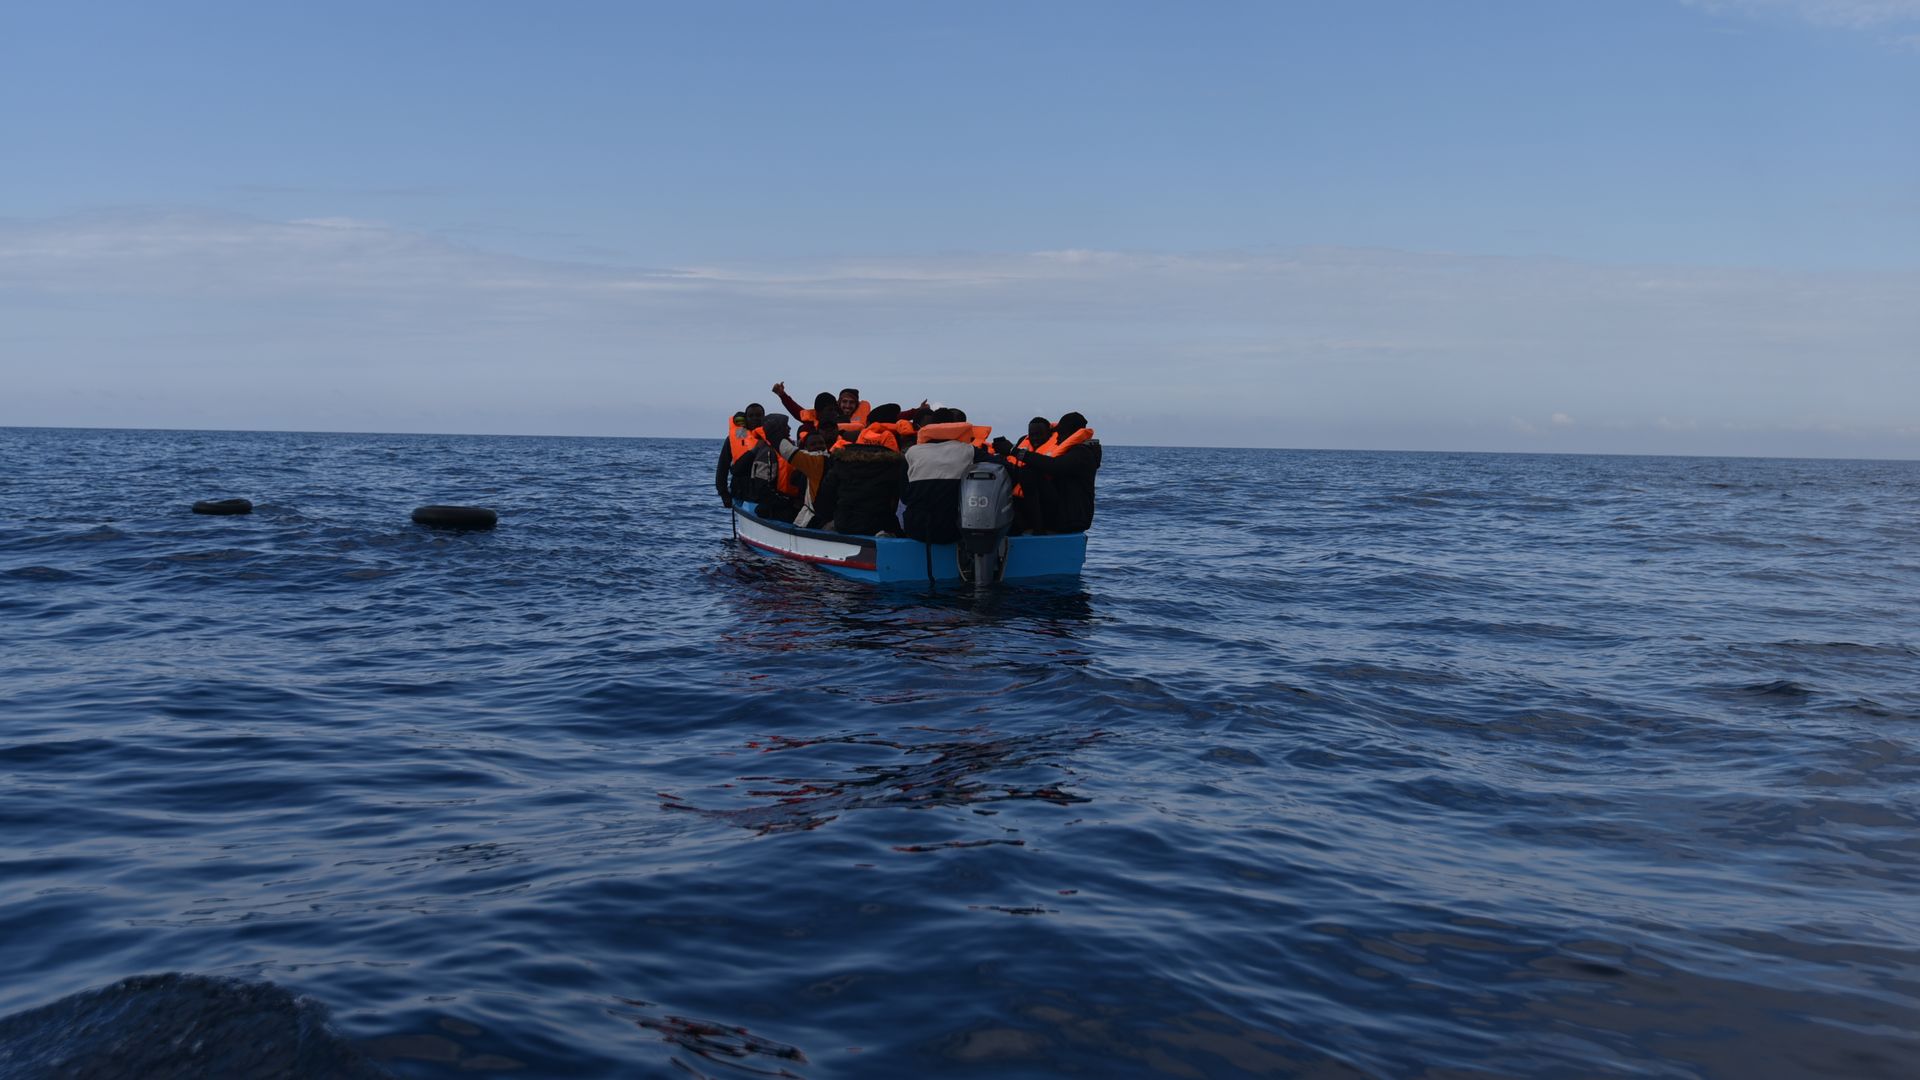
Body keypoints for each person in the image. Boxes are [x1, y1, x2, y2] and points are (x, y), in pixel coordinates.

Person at [901, 409, 989, 544]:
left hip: (916, 528)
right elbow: (1005, 467)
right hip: (954, 530)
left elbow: (904, 495)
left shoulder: (912, 452)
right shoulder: (968, 450)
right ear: (955, 427)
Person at [1011, 411, 1100, 533]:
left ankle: (1038, 531)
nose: (1056, 436)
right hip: (1064, 513)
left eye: (1060, 432)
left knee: (1029, 472)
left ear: (1071, 433)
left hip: (1074, 519)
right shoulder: (1073, 450)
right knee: (1027, 473)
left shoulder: (1081, 454)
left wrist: (1016, 452)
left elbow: (1054, 466)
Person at [815, 423, 907, 536]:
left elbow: (826, 495)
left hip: (844, 523)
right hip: (881, 525)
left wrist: (830, 516)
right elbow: (902, 499)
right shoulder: (894, 466)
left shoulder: (841, 462)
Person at [731, 414, 802, 522]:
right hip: (775, 508)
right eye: (785, 425)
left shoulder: (787, 449)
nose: (789, 428)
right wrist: (789, 502)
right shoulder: (767, 452)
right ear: (775, 429)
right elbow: (762, 488)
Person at [716, 403, 765, 508]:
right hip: (741, 493)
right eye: (751, 416)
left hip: (764, 495)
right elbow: (722, 467)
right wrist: (723, 493)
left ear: (764, 417)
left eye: (758, 415)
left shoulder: (771, 438)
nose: (755, 418)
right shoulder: (734, 438)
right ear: (746, 419)